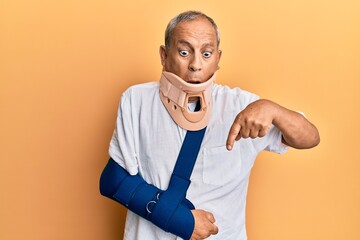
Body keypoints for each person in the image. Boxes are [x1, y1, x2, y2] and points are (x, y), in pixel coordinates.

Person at [100, 10, 320, 240]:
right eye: (184, 52)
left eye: (206, 53)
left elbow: (311, 138)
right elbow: (114, 180)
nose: (196, 64)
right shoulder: (136, 100)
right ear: (164, 56)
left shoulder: (243, 107)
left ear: (218, 58)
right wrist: (181, 221)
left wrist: (274, 110)